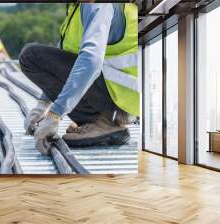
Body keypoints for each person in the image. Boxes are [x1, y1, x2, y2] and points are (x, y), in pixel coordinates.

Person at [19, 3, 139, 153]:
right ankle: (98, 120)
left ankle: (103, 123)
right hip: (118, 101)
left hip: (117, 102)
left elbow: (91, 61)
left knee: (31, 56)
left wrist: (55, 115)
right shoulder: (77, 8)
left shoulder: (97, 5)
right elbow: (62, 63)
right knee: (35, 56)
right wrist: (43, 105)